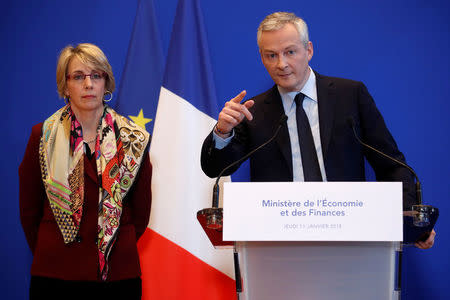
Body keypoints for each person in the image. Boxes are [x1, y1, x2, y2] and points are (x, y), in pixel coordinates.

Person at [200, 12, 435, 249]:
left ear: (308, 50)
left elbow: (392, 165)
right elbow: (214, 169)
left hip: (352, 238)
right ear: (262, 58)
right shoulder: (253, 111)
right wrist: (222, 132)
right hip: (278, 244)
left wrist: (411, 222)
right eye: (271, 55)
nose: (281, 64)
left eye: (290, 52)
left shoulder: (350, 95)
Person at [19, 43, 152, 299]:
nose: (88, 84)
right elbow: (29, 210)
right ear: (65, 86)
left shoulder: (133, 139)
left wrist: (109, 238)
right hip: (56, 271)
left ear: (106, 83)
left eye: (96, 75)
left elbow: (141, 213)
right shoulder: (42, 136)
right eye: (78, 76)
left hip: (118, 274)